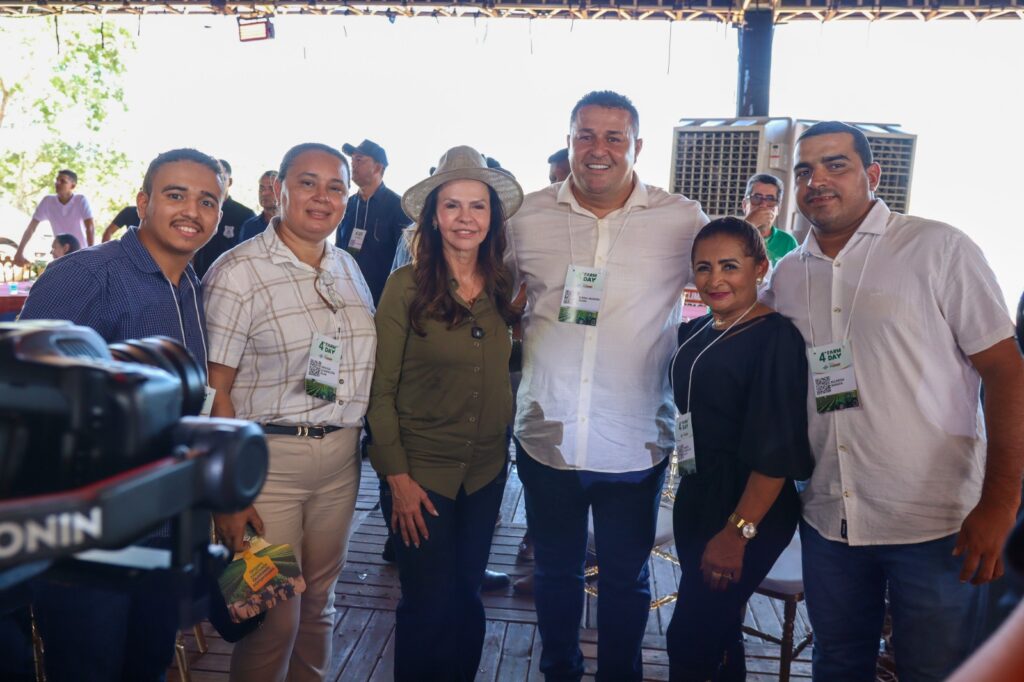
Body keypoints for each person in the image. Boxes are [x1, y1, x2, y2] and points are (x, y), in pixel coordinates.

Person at [764, 120, 1024, 681]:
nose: (817, 180)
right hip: (831, 517)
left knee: (938, 669)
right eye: (805, 170)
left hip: (935, 523)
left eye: (836, 164)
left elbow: (1006, 372)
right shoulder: (787, 276)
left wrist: (1001, 503)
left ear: (872, 175)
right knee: (836, 664)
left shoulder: (937, 248)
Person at [506, 90, 709, 681]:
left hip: (634, 438)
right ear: (569, 140)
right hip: (548, 431)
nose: (599, 150)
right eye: (586, 136)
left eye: (613, 137)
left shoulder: (680, 219)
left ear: (637, 146)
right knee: (554, 573)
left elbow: (736, 285)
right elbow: (493, 293)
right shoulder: (526, 217)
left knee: (627, 577)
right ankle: (560, 671)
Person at [19, 148, 225, 682]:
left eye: (208, 201)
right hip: (88, 537)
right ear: (143, 202)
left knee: (146, 667)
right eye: (175, 195)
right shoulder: (88, 274)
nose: (191, 211)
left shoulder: (189, 285)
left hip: (161, 529)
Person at [203, 142, 376, 682]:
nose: (321, 197)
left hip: (340, 462)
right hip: (265, 466)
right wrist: (229, 494)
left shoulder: (348, 267)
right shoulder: (237, 271)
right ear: (278, 189)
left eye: (335, 187)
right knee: (270, 617)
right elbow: (213, 392)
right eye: (308, 182)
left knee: (319, 606)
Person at [367, 145, 523, 681]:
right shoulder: (404, 287)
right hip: (422, 474)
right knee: (426, 605)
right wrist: (398, 481)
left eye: (477, 206)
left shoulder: (504, 286)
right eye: (452, 205)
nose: (465, 217)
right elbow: (379, 391)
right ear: (434, 216)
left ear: (492, 217)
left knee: (467, 598)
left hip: (483, 474)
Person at [665, 217, 813, 681]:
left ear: (760, 267)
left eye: (730, 266)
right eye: (703, 268)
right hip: (699, 494)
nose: (715, 279)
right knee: (718, 629)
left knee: (689, 638)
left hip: (746, 506)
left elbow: (777, 450)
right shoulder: (703, 330)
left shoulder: (774, 339)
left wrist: (736, 534)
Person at [335, 139, 411, 305]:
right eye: (352, 160)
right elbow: (337, 250)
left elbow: (407, 260)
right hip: (345, 298)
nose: (353, 165)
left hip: (384, 301)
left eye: (359, 160)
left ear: (378, 167)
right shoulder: (345, 205)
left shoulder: (398, 207)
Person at [14, 169, 94, 266]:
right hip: (60, 255)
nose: (57, 183)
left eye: (63, 181)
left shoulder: (80, 200)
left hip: (81, 254)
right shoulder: (47, 201)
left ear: (72, 186)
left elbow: (90, 227)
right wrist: (19, 252)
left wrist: (92, 253)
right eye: (57, 180)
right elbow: (31, 228)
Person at [192, 158, 255, 279]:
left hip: (230, 281)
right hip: (196, 280)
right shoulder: (196, 209)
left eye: (222, 179)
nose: (216, 184)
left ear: (230, 182)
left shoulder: (244, 215)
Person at [741, 172, 798, 265]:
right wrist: (748, 225)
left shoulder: (788, 242)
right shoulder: (726, 236)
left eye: (770, 199)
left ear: (778, 209)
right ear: (744, 205)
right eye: (756, 198)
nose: (763, 205)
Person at [238, 170, 279, 242]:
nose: (264, 193)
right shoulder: (250, 226)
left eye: (271, 188)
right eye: (261, 188)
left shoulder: (294, 225)